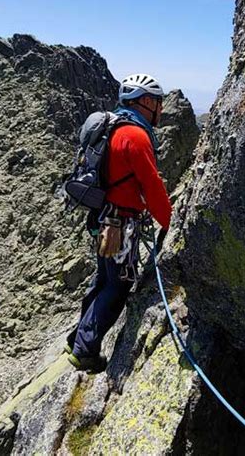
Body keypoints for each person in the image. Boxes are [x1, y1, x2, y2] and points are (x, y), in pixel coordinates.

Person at [66, 74, 172, 373]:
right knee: (119, 285)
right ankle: (85, 351)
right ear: (147, 102)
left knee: (102, 280)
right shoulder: (136, 136)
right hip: (120, 224)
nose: (161, 110)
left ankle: (76, 338)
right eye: (159, 103)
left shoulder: (114, 126)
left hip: (102, 218)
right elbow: (152, 187)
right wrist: (171, 224)